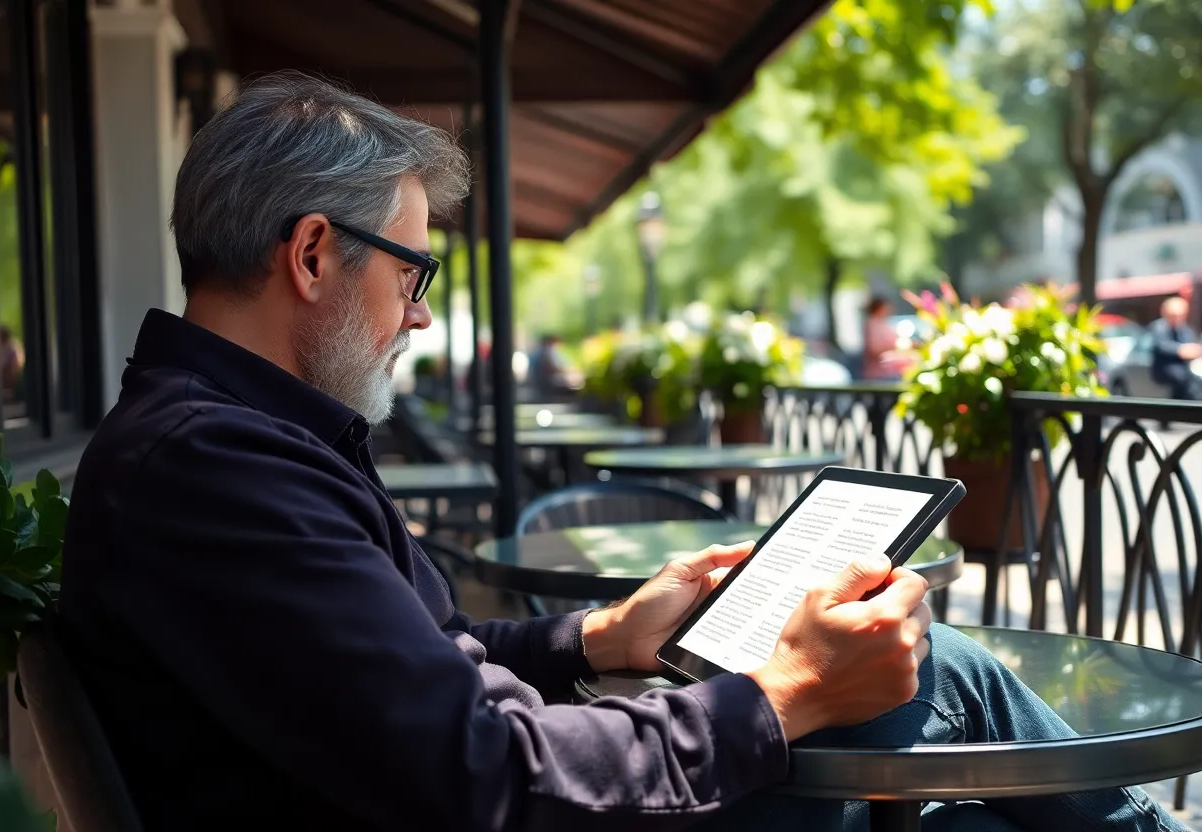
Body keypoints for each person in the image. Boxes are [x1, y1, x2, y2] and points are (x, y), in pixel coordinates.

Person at [59, 72, 1183, 832]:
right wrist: (784, 693)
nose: (417, 316)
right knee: (941, 673)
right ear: (312, 253)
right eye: (412, 273)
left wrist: (595, 632)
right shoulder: (217, 470)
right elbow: (473, 778)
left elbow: (409, 664)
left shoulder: (219, 443)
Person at [1150, 295, 1202, 400]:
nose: (1177, 318)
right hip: (1164, 368)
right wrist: (1180, 350)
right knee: (1181, 377)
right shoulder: (1158, 327)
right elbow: (1161, 345)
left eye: (1180, 315)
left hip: (1185, 368)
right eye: (1174, 315)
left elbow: (1192, 343)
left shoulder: (1185, 329)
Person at [861, 296, 908, 381]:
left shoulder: (882, 323)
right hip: (880, 373)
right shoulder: (872, 324)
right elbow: (874, 347)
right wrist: (895, 345)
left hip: (888, 371)